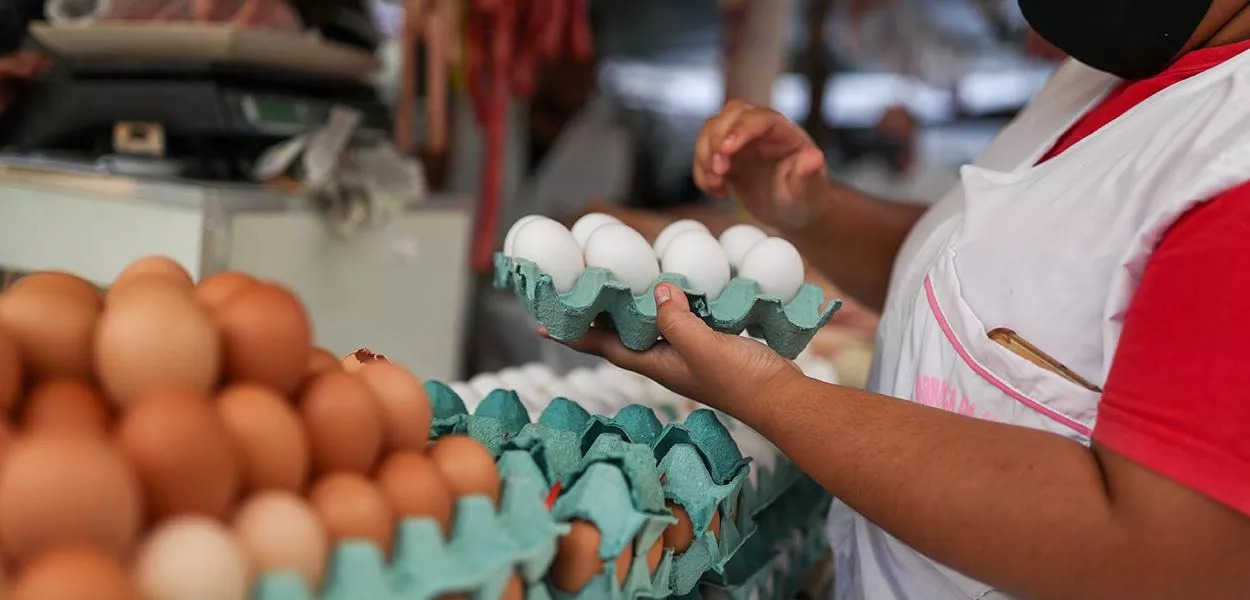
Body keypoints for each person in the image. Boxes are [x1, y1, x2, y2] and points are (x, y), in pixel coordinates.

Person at [542, 0, 1250, 597]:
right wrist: (812, 214)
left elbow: (1157, 550)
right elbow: (999, 292)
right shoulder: (1105, 78)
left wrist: (775, 398)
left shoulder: (1232, 160)